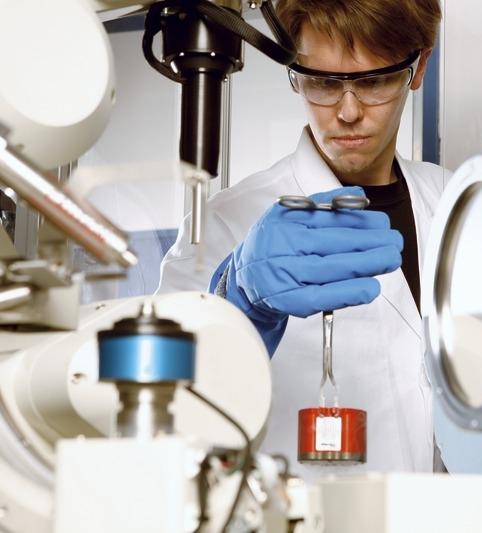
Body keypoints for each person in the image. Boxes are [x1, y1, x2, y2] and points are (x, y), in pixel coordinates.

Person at [158, 0, 446, 476]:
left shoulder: (454, 203)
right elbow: (160, 422)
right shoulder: (224, 224)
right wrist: (234, 302)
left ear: (419, 68)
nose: (348, 112)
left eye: (373, 81)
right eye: (323, 83)